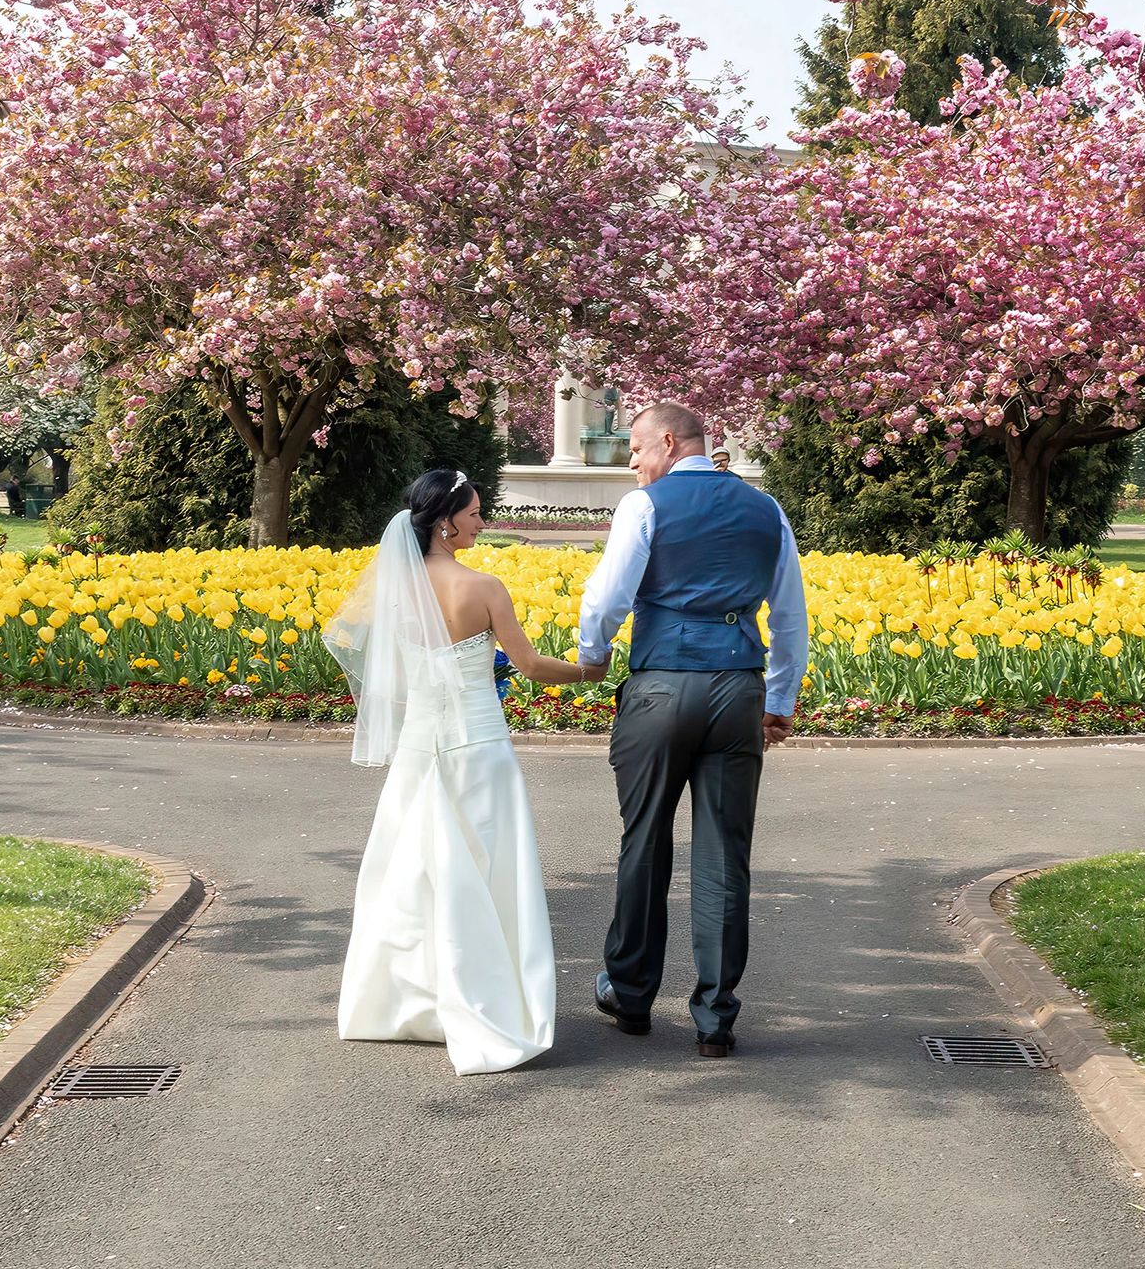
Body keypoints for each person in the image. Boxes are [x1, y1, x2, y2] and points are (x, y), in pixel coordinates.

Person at [326, 469, 606, 1076]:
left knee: (415, 873)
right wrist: (590, 672)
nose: (483, 523)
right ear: (446, 523)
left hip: (420, 747)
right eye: (475, 514)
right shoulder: (484, 587)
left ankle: (408, 1003)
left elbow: (391, 684)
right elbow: (530, 666)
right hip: (478, 747)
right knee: (490, 870)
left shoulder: (396, 590)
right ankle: (487, 1001)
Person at [577, 402, 808, 1058]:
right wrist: (779, 698)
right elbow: (790, 614)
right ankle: (715, 1016)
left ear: (669, 442)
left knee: (644, 841)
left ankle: (630, 995)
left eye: (636, 449)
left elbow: (607, 597)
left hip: (660, 687)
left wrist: (593, 654)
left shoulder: (644, 506)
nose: (633, 463)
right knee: (724, 854)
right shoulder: (767, 510)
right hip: (737, 687)